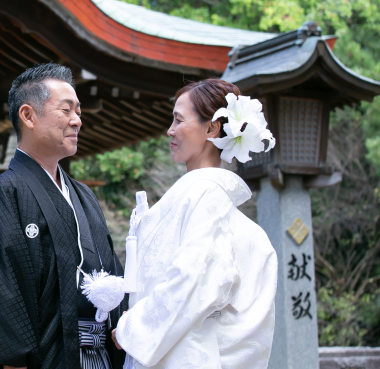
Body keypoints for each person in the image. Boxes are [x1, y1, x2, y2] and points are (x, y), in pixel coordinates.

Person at [0, 64, 127, 369]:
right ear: (28, 116)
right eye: (66, 110)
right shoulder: (4, 195)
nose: (77, 120)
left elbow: (112, 276)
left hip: (102, 358)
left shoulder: (84, 196)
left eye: (78, 111)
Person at [112, 79, 278, 368]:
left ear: (212, 128)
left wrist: (133, 328)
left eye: (178, 120)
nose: (170, 130)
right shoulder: (215, 204)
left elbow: (191, 278)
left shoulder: (205, 193)